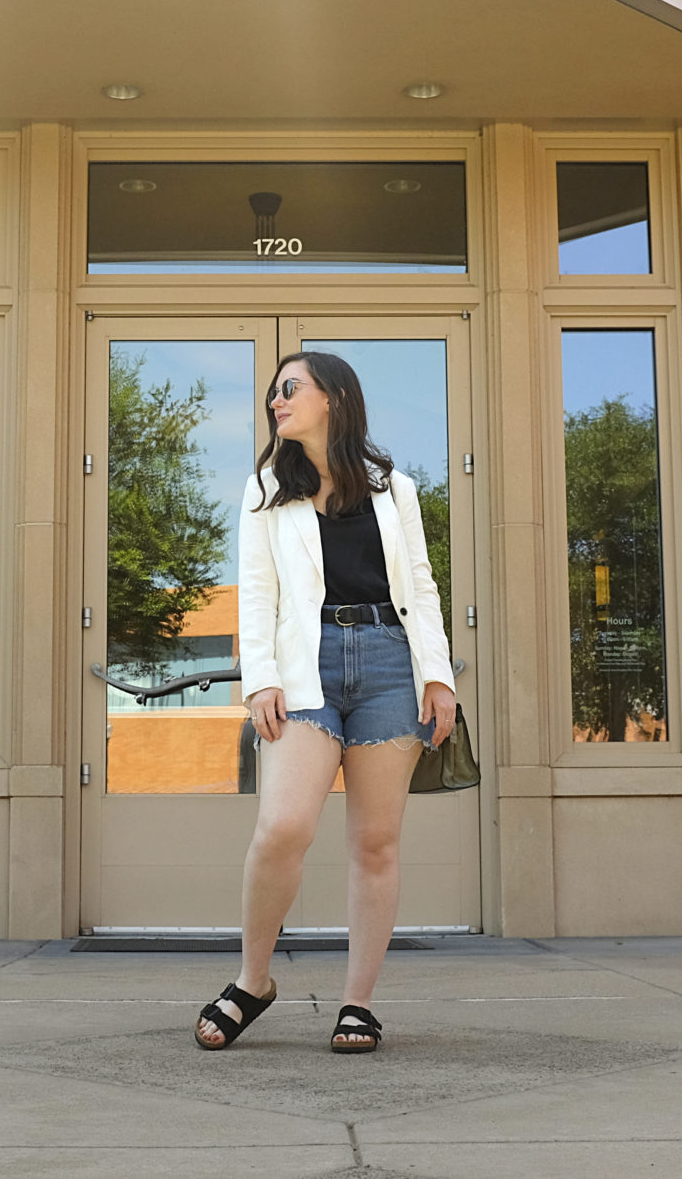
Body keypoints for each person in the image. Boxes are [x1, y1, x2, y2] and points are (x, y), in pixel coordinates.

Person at [194, 351, 457, 1054]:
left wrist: (439, 676)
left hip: (387, 666)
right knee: (282, 826)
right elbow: (256, 592)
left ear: (333, 398)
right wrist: (260, 680)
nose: (276, 402)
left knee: (375, 842)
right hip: (305, 667)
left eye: (290, 389)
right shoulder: (264, 489)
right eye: (273, 393)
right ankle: (254, 979)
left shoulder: (394, 488)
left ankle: (358, 1002)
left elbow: (422, 588)